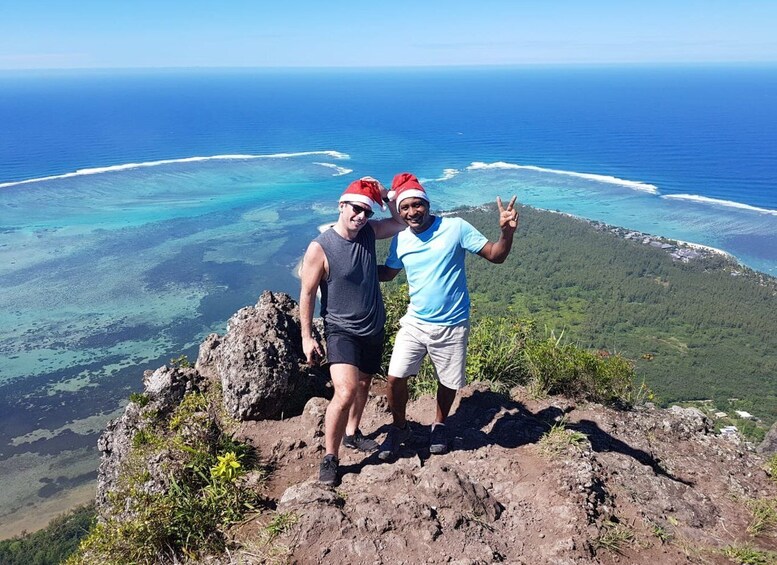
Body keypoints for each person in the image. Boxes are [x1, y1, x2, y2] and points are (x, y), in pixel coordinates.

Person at [377, 172, 518, 460]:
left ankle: (439, 424)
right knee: (394, 379)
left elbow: (496, 255)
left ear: (427, 204)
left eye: (417, 205)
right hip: (415, 322)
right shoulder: (401, 239)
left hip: (452, 323)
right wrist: (347, 266)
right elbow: (389, 274)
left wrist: (507, 232)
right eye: (405, 207)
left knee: (448, 381)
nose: (411, 212)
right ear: (400, 211)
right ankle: (400, 427)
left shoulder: (455, 227)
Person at [299, 177, 404, 486]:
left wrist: (384, 195)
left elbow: (399, 220)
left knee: (363, 384)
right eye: (356, 209)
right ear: (341, 205)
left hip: (373, 326)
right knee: (344, 391)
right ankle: (330, 458)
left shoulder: (369, 232)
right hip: (341, 330)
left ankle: (352, 434)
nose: (360, 216)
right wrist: (307, 337)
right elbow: (307, 293)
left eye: (366, 211)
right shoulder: (321, 247)